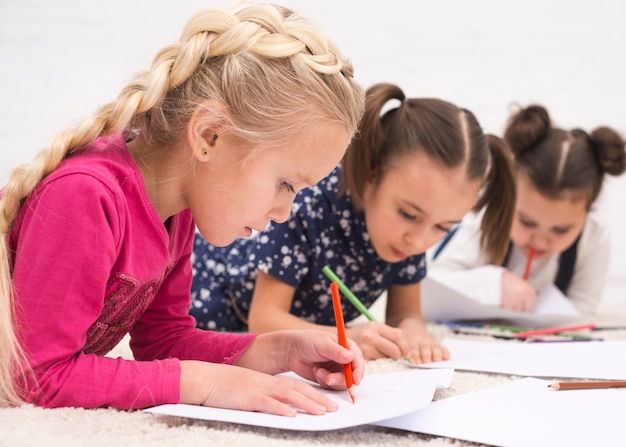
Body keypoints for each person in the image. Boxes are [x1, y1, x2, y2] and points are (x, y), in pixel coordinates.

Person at [0, 3, 367, 414]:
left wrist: (279, 350)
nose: (284, 213)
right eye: (286, 184)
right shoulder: (86, 195)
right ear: (209, 135)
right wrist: (201, 383)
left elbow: (163, 343)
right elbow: (36, 378)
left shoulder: (178, 211)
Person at [190, 82, 516, 364]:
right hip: (218, 310)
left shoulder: (410, 232)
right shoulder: (308, 206)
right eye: (408, 215)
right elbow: (263, 322)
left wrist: (414, 335)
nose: (419, 241)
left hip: (301, 332)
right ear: (372, 175)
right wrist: (352, 337)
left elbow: (404, 314)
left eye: (442, 228)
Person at [428, 104, 626, 314]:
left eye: (561, 230)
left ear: (587, 213)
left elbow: (583, 306)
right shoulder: (489, 220)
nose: (540, 241)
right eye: (527, 222)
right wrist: (494, 283)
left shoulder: (595, 232)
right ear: (509, 196)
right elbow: (430, 287)